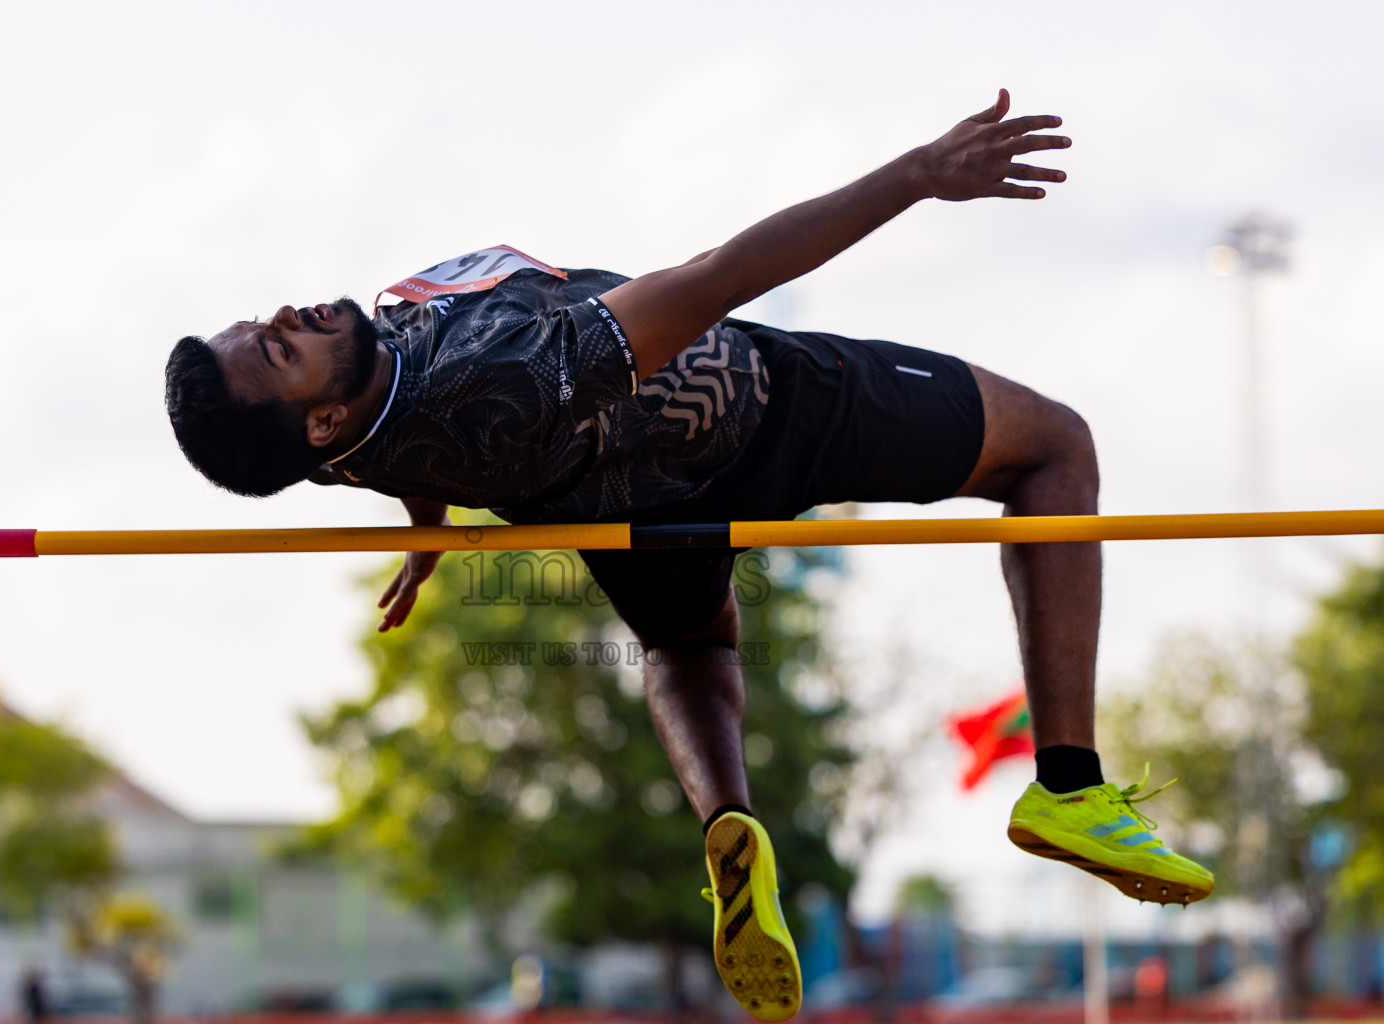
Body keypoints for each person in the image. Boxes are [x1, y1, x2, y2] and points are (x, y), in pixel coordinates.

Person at [164, 90, 1213, 1021]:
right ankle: (1069, 786)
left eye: (264, 325)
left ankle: (728, 824)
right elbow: (720, 275)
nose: (288, 316)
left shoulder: (341, 432)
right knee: (1055, 447)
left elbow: (384, 441)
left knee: (689, 641)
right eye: (278, 347)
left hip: (619, 512)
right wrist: (915, 176)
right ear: (320, 417)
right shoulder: (508, 374)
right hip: (766, 409)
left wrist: (425, 523)